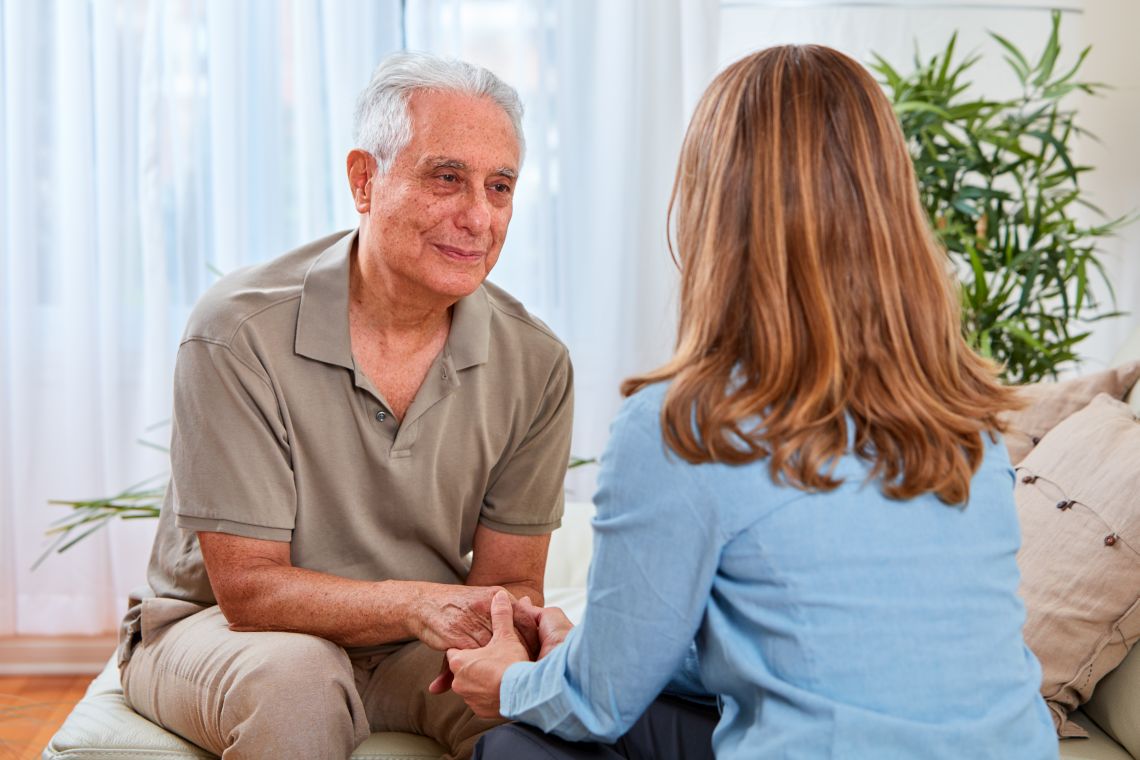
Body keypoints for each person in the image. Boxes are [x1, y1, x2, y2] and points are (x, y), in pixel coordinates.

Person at [444, 44, 1059, 759]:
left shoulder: (686, 429)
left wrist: (514, 681)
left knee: (519, 747)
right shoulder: (964, 419)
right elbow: (821, 645)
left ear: (715, 210)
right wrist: (597, 651)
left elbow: (598, 706)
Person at [117, 51, 574, 760]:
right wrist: (421, 603)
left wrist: (524, 638)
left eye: (501, 187)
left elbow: (509, 582)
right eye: (447, 178)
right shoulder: (240, 331)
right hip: (226, 633)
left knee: (539, 706)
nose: (478, 216)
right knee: (298, 678)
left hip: (416, 652)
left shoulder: (537, 363)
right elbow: (250, 592)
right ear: (365, 179)